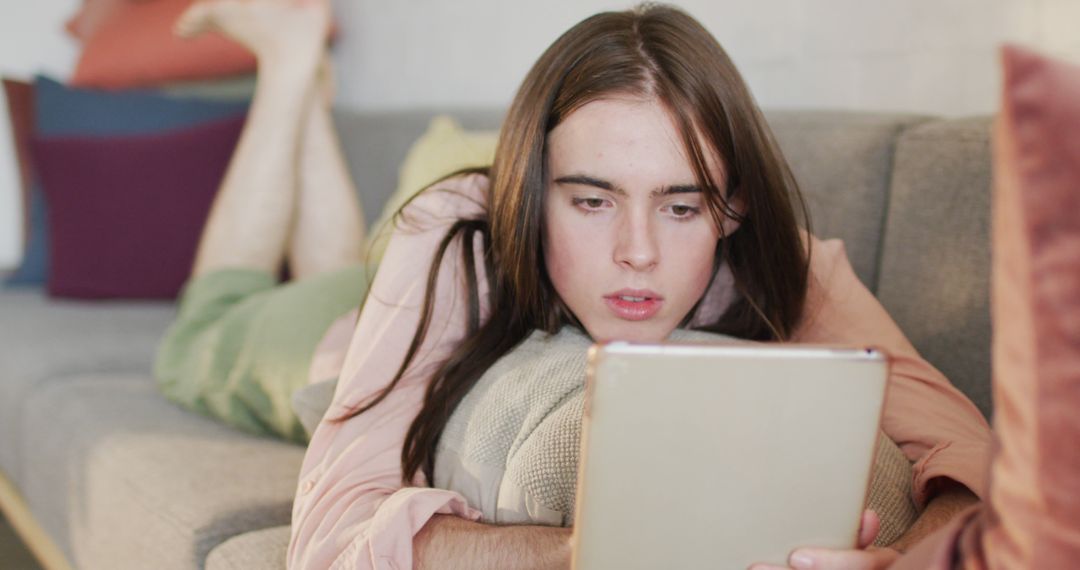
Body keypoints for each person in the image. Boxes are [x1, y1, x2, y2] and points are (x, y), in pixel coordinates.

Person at [162, 1, 995, 569]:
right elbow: (328, 539)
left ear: (733, 207)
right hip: (314, 346)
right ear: (532, 191)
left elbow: (978, 460)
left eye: (681, 204)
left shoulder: (789, 269)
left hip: (393, 301)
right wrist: (583, 552)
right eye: (593, 200)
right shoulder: (458, 233)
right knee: (211, 320)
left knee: (349, 260)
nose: (638, 252)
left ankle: (306, 80)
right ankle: (287, 60)